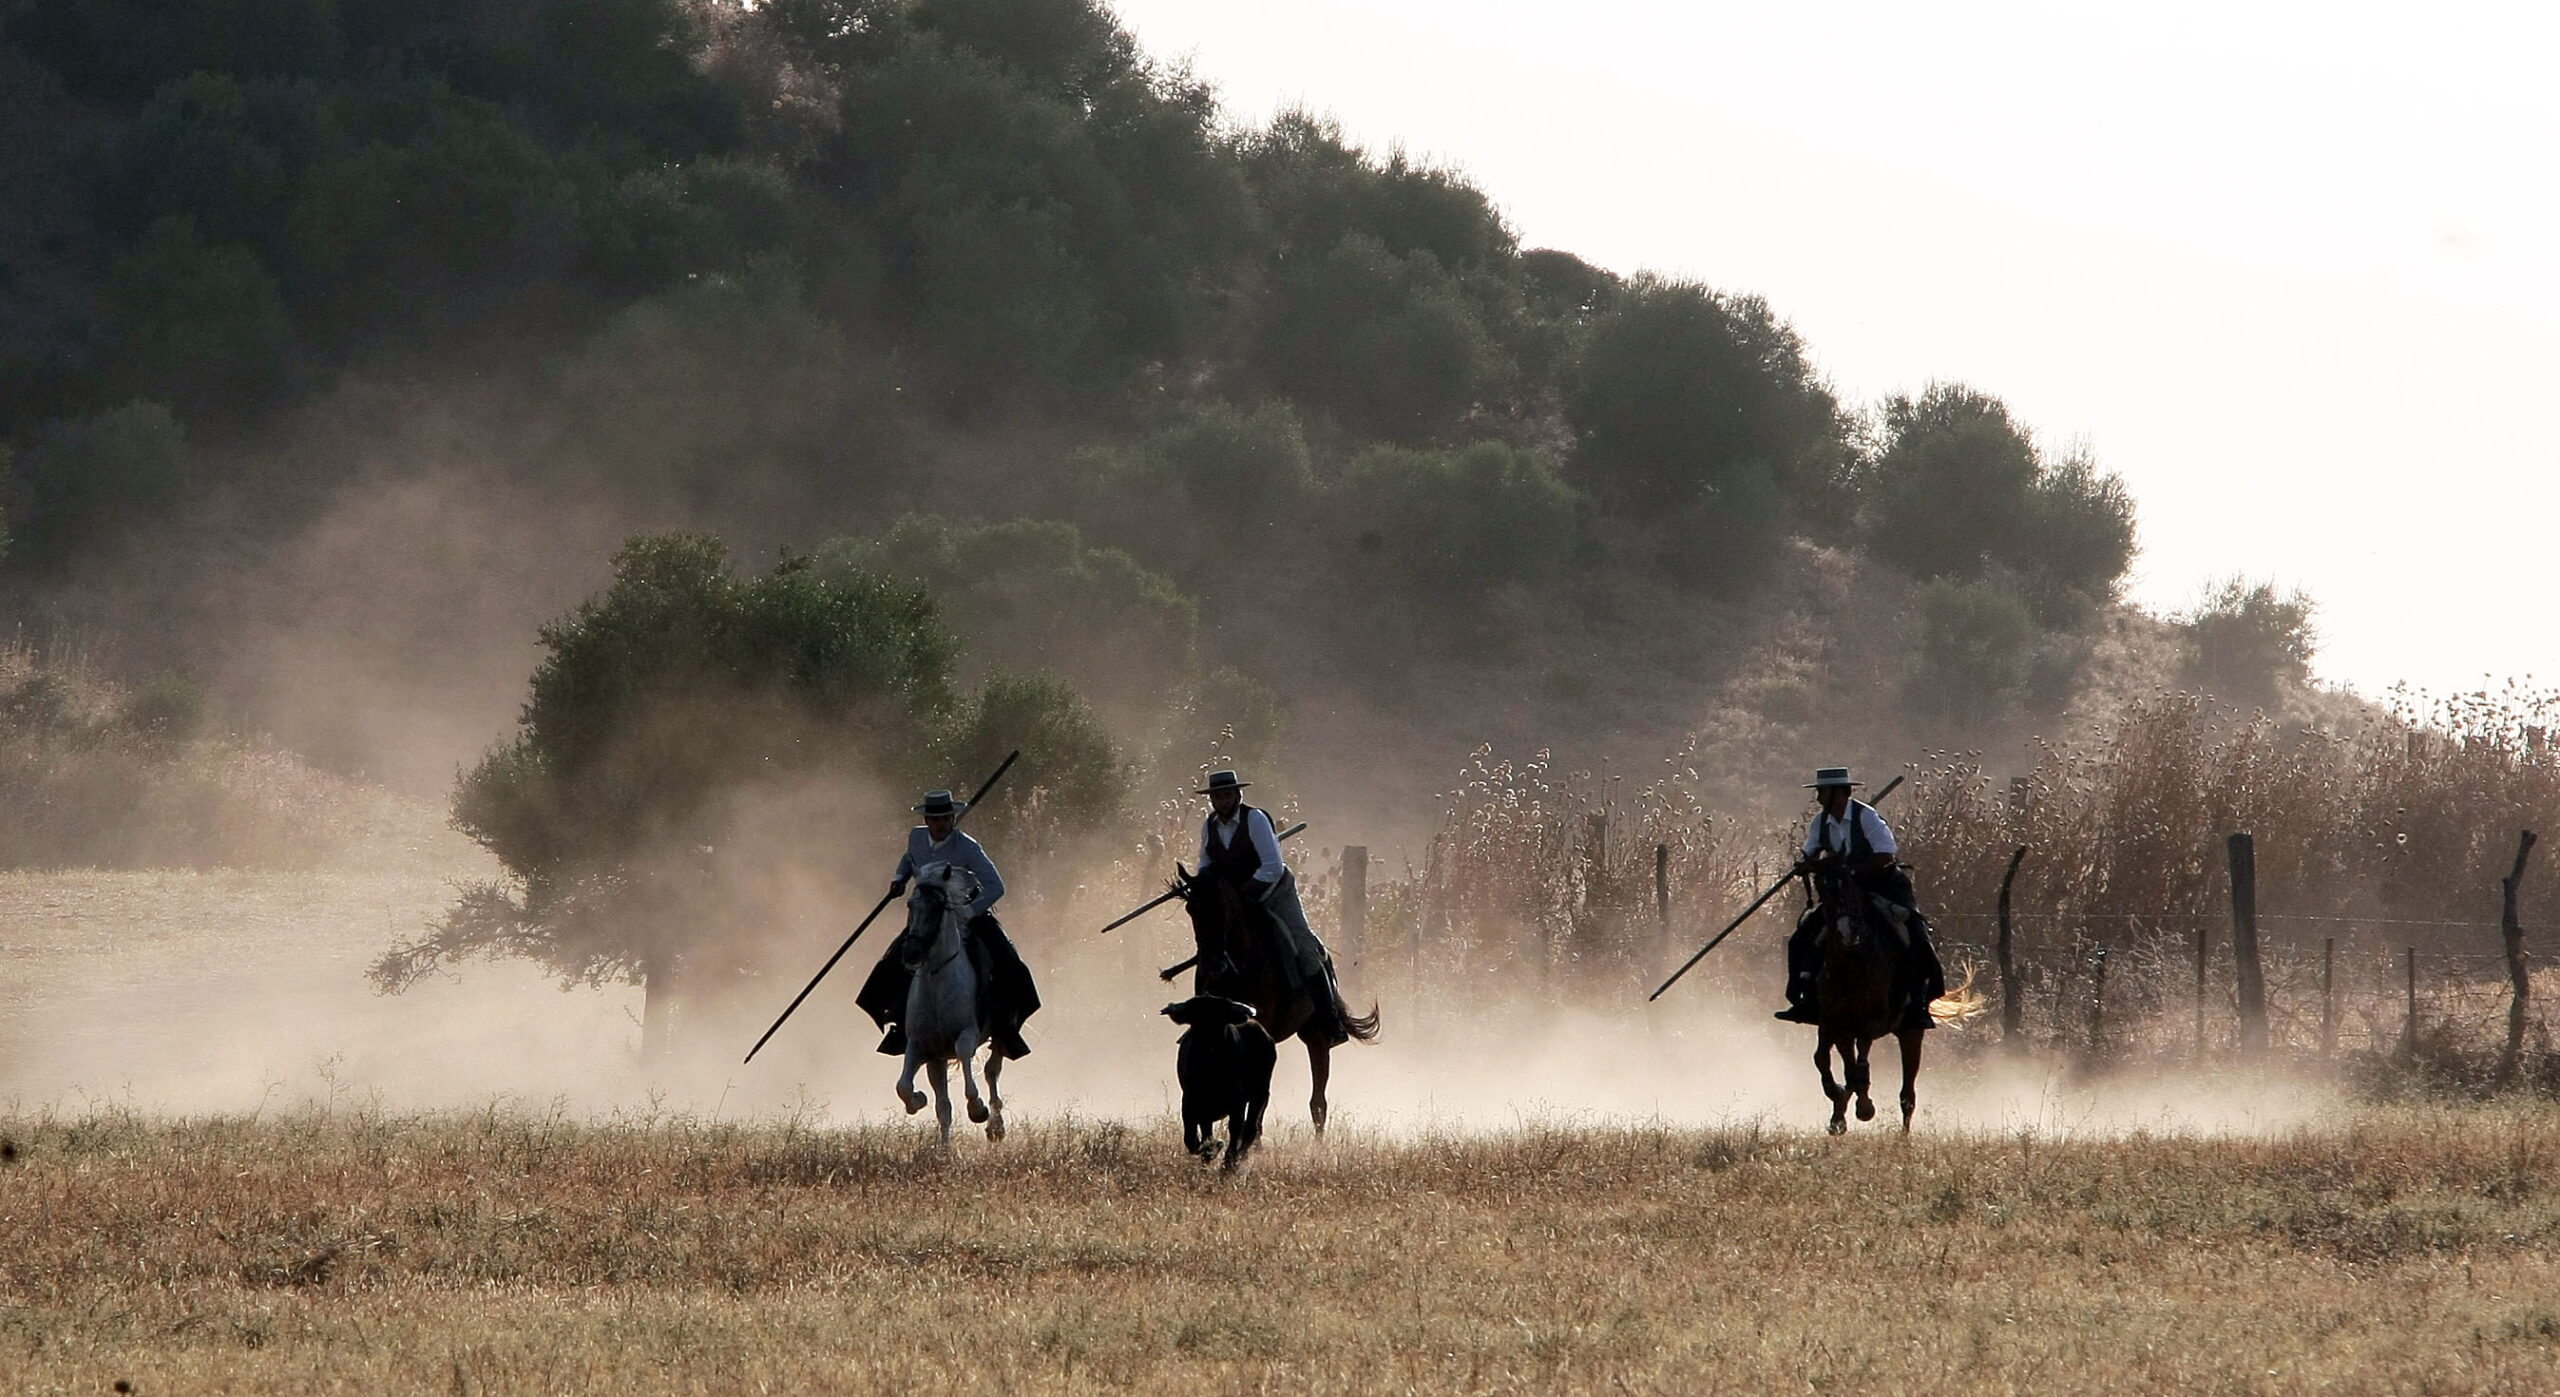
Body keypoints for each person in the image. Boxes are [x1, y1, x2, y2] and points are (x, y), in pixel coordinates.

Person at [855, 789, 1040, 1059]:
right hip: (929, 914)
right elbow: (909, 858)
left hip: (968, 912)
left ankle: (1005, 1029)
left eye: (945, 818)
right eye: (935, 819)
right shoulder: (917, 838)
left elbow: (995, 886)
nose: (941, 824)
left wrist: (969, 911)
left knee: (1010, 965)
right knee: (893, 962)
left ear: (953, 819)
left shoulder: (968, 847)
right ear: (926, 821)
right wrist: (899, 879)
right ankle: (900, 1025)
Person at [1773, 766, 1947, 1030]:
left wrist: (1852, 871)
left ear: (1840, 793)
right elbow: (1810, 852)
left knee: (1916, 936)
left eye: (1823, 792)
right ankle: (1804, 999)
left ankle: (1918, 1004)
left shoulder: (1867, 817)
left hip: (1884, 887)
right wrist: (1805, 865)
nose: (1819, 798)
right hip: (1844, 892)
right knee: (1800, 939)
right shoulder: (1820, 822)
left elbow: (1886, 854)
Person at [1194, 770, 1348, 1044]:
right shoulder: (1209, 826)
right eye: (1217, 796)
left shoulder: (1255, 820)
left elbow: (1272, 867)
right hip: (1234, 901)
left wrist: (1244, 892)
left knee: (1305, 947)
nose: (1222, 800)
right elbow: (1205, 863)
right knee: (1210, 952)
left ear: (1237, 794)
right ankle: (1200, 1021)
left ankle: (1330, 1019)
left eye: (1227, 794)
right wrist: (1203, 885)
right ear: (1212, 800)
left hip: (1275, 893)